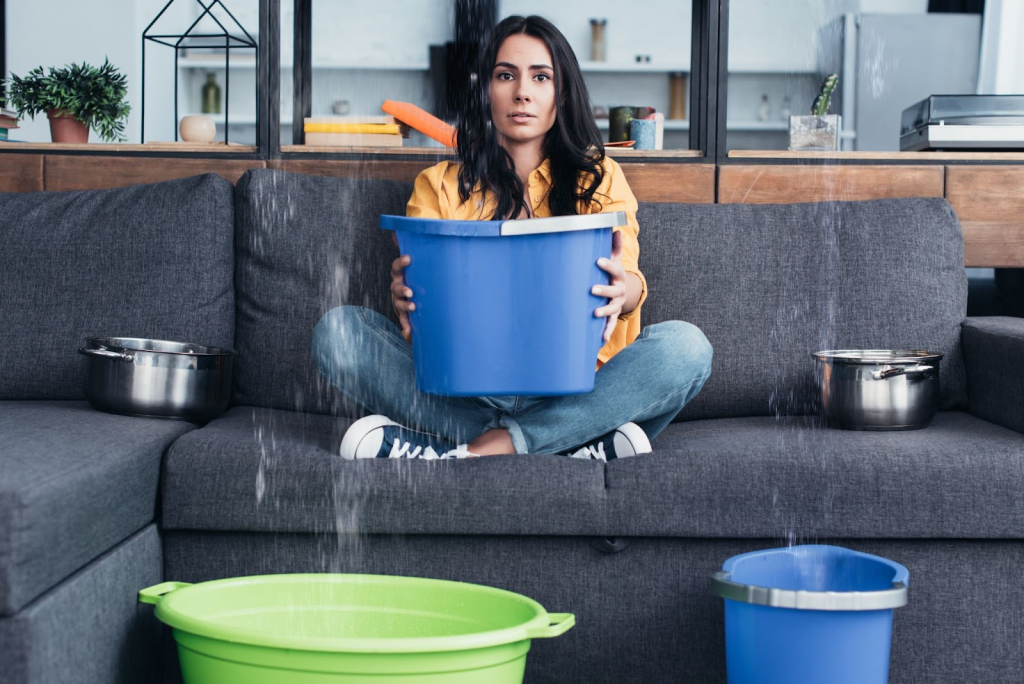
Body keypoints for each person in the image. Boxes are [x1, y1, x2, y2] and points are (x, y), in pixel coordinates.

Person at [312, 15, 712, 461]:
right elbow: (422, 306)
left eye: (541, 77)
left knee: (685, 348)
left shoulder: (600, 177)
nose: (522, 92)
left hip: (580, 388)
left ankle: (474, 447)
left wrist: (625, 291)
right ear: (485, 89)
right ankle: (567, 444)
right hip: (464, 393)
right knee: (338, 332)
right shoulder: (438, 185)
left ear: (561, 93)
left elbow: (631, 277)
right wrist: (405, 295)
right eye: (506, 75)